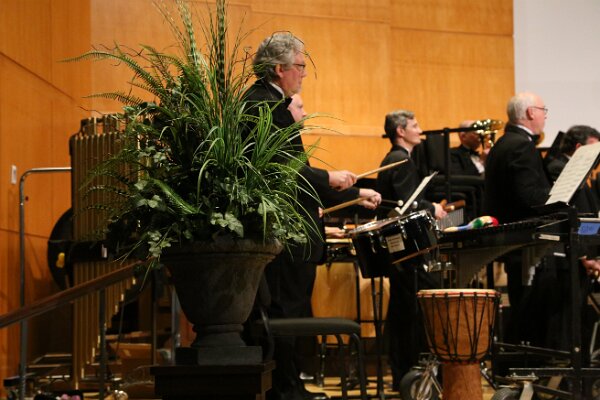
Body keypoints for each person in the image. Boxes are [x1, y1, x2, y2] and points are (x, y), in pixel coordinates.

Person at [244, 33, 381, 400]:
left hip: (284, 229)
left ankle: (289, 386)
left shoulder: (266, 102)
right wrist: (330, 178)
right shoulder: (267, 106)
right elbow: (282, 170)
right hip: (284, 232)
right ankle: (286, 390)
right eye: (301, 66)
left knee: (287, 311)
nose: (304, 73)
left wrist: (350, 192)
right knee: (286, 313)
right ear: (280, 68)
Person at [375, 109, 447, 390]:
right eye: (415, 125)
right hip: (406, 250)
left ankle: (403, 375)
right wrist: (433, 208)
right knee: (410, 312)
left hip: (398, 250)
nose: (420, 129)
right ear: (400, 131)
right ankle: (409, 373)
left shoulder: (396, 158)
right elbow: (407, 204)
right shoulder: (400, 160)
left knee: (403, 311)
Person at [483, 92, 552, 345]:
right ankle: (526, 354)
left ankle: (520, 354)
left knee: (522, 296)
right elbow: (529, 196)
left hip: (511, 236)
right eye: (543, 110)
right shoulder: (521, 145)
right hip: (524, 238)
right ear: (531, 112)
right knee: (528, 301)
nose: (545, 116)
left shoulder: (504, 142)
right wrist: (558, 200)